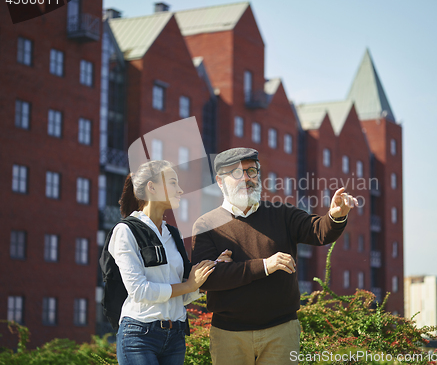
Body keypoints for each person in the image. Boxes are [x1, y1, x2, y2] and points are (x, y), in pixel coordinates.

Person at [191, 148, 357, 365]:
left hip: (281, 332)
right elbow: (209, 278)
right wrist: (265, 266)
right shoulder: (206, 225)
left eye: (251, 171)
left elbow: (319, 231)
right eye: (237, 173)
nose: (247, 179)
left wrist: (336, 216)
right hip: (229, 334)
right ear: (220, 181)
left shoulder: (282, 214)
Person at [109, 160, 231, 365]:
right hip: (139, 335)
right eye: (173, 183)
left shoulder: (173, 234)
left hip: (175, 337)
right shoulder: (126, 231)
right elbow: (139, 291)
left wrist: (209, 272)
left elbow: (180, 296)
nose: (181, 190)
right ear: (152, 187)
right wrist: (188, 285)